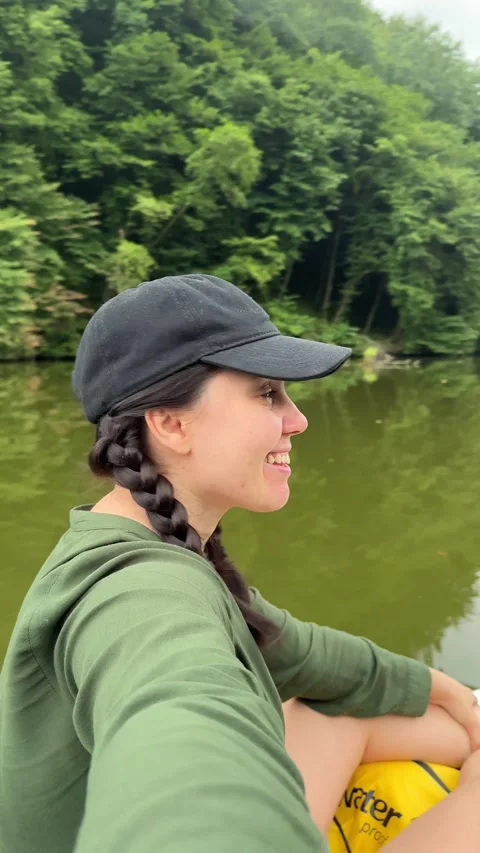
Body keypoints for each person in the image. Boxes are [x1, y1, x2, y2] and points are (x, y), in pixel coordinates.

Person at [1, 273, 480, 853]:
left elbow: (296, 651)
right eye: (268, 393)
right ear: (171, 424)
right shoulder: (135, 594)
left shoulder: (159, 545)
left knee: (339, 711)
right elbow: (184, 731)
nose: (298, 419)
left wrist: (448, 691)